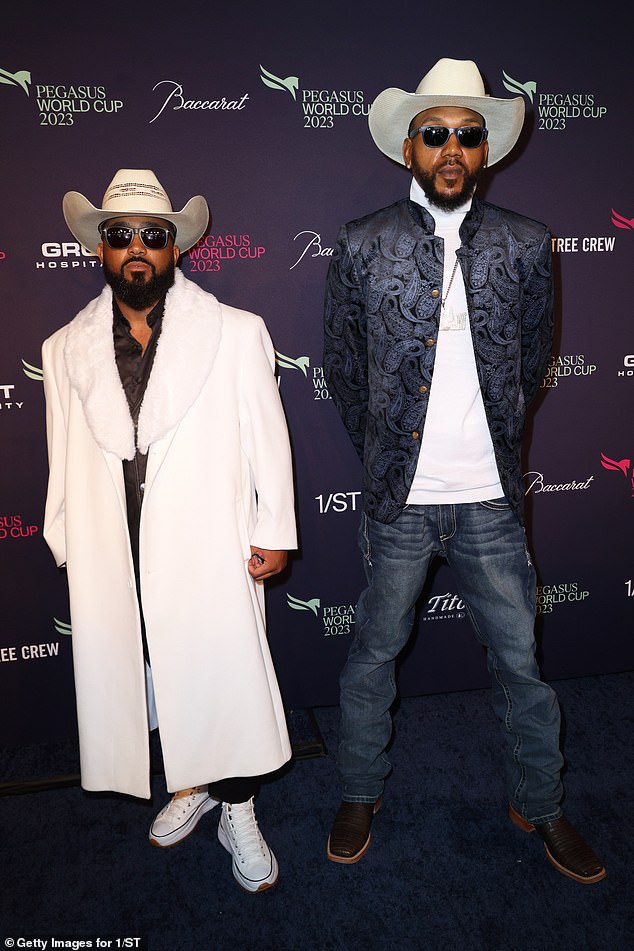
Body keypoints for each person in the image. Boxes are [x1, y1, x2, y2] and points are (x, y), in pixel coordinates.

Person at [323, 59, 605, 884]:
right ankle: (357, 790)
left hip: (490, 500)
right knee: (372, 657)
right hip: (399, 500)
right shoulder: (361, 242)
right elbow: (344, 366)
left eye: (468, 134)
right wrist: (386, 456)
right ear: (408, 145)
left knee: (520, 661)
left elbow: (536, 354)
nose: (453, 147)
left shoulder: (525, 242)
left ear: (487, 149)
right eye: (436, 132)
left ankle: (541, 802)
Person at [42, 168, 297, 893]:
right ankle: (193, 781)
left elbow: (267, 438)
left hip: (208, 544)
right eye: (120, 235)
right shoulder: (64, 350)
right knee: (155, 679)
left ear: (176, 247)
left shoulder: (236, 332)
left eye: (153, 236)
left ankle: (237, 806)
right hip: (113, 551)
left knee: (224, 678)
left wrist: (274, 526)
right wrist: (67, 537)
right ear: (99, 247)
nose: (137, 250)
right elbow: (60, 451)